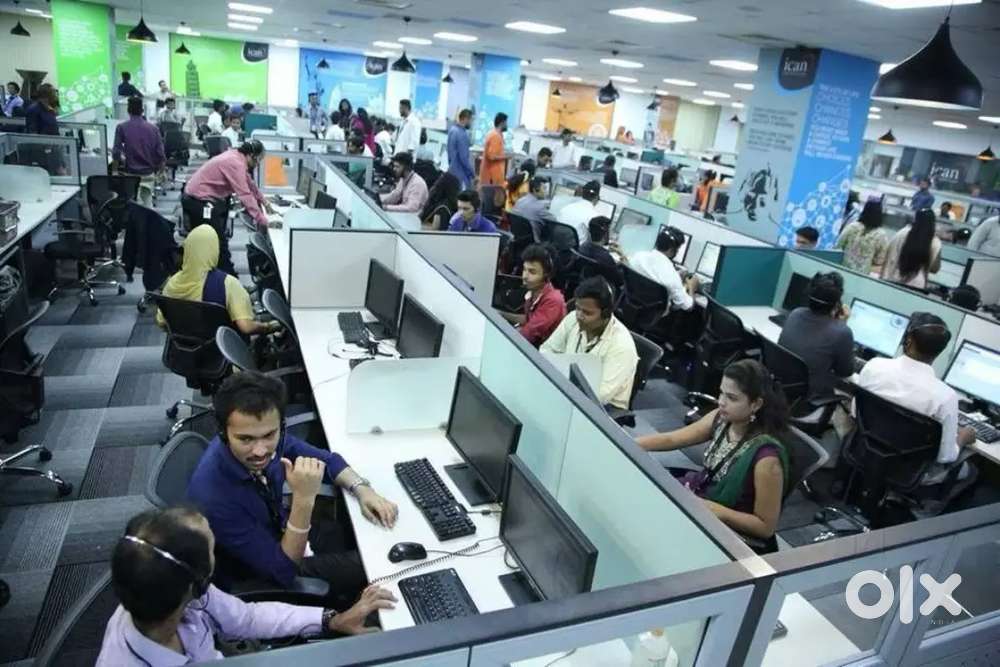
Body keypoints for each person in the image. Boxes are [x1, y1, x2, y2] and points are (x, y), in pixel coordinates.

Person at [96, 506, 397, 666]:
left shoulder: (176, 594)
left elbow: (246, 618)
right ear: (196, 584)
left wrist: (332, 619)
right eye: (212, 549)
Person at [187, 373, 399, 596]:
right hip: (259, 573)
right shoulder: (213, 498)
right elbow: (284, 570)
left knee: (360, 534)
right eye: (246, 439)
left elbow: (327, 461)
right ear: (223, 433)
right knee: (374, 565)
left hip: (279, 529)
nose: (260, 451)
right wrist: (304, 500)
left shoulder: (268, 439)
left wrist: (362, 489)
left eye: (269, 435)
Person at [635, 359, 789, 542]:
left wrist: (715, 510)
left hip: (720, 526)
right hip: (698, 496)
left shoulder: (767, 459)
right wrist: (629, 443)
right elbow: (673, 439)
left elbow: (765, 527)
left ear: (756, 404)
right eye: (721, 393)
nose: (721, 402)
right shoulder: (722, 418)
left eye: (732, 398)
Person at [855, 313, 977, 486]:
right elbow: (945, 456)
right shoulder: (945, 396)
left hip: (865, 450)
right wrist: (963, 438)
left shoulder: (874, 365)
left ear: (908, 340)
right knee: (970, 471)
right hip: (906, 470)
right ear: (940, 350)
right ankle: (915, 503)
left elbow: (855, 413)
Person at [156, 225, 279, 337]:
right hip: (220, 350)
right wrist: (269, 327)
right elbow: (246, 327)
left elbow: (162, 322)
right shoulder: (228, 284)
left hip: (182, 348)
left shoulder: (171, 284)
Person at [541, 277, 639, 409]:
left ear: (606, 314)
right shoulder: (573, 318)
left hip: (603, 408)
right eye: (578, 308)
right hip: (567, 390)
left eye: (587, 313)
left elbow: (601, 395)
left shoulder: (622, 346)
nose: (579, 316)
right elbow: (547, 350)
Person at [182, 139, 276, 275]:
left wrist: (264, 202)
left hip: (205, 198)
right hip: (198, 200)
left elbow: (250, 184)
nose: (257, 164)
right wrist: (263, 220)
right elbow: (245, 194)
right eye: (258, 160)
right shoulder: (235, 163)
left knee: (218, 240)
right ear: (251, 155)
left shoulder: (237, 157)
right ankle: (229, 280)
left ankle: (219, 276)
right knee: (218, 242)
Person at [777, 272, 854, 401]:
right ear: (837, 304)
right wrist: (842, 323)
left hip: (781, 390)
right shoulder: (842, 332)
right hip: (809, 399)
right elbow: (845, 372)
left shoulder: (795, 314)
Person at [500, 244, 566, 347]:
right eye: (524, 269)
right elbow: (528, 319)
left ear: (546, 274)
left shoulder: (553, 300)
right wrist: (499, 314)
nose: (525, 276)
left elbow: (530, 332)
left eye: (532, 272)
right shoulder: (533, 291)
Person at [628, 227, 698, 312]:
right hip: (651, 315)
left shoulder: (638, 257)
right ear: (671, 250)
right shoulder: (672, 276)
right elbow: (688, 307)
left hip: (628, 306)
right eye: (678, 249)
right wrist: (692, 287)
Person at [112, 96, 165, 207]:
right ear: (142, 110)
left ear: (128, 110)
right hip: (148, 175)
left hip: (130, 175)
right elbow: (160, 154)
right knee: (147, 202)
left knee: (130, 203)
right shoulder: (154, 129)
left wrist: (115, 171)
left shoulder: (121, 127)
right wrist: (161, 171)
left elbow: (116, 152)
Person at [882, 208, 942, 288]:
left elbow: (889, 255)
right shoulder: (935, 242)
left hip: (895, 278)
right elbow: (935, 269)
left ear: (915, 219)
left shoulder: (902, 233)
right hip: (917, 284)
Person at [836, 199, 890, 276]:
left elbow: (838, 246)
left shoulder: (852, 227)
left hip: (843, 270)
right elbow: (880, 259)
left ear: (864, 210)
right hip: (862, 275)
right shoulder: (881, 235)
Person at [511, 176, 556, 241]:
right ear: (535, 190)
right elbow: (555, 222)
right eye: (544, 188)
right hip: (534, 243)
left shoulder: (520, 200)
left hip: (518, 239)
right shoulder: (541, 207)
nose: (546, 192)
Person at [447, 108, 475, 189]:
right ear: (465, 119)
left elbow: (449, 155)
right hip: (461, 176)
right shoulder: (462, 134)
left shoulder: (452, 130)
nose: (471, 123)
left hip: (452, 172)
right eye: (471, 120)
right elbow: (464, 158)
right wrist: (472, 174)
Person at [479, 112, 508, 186]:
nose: (507, 125)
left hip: (495, 176)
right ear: (502, 123)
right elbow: (491, 156)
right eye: (506, 123)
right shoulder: (495, 136)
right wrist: (507, 157)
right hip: (491, 177)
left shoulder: (497, 135)